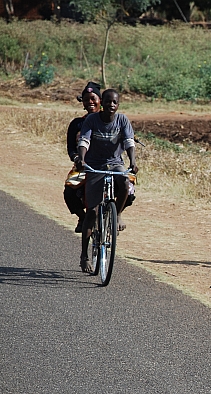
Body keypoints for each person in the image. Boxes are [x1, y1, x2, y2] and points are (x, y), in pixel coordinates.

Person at [76, 88, 138, 273]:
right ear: (102, 103)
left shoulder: (122, 120)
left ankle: (117, 214)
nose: (111, 105)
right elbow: (84, 141)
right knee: (92, 212)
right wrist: (82, 159)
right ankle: (84, 256)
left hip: (115, 164)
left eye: (115, 102)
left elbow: (129, 142)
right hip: (95, 165)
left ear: (118, 105)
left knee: (126, 184)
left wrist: (133, 162)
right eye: (108, 101)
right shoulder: (92, 120)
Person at [64, 82, 101, 233]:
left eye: (93, 98)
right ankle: (83, 218)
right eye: (86, 100)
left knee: (128, 189)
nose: (90, 102)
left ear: (100, 100)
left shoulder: (109, 121)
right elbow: (71, 148)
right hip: (84, 166)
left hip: (106, 165)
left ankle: (115, 215)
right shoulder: (77, 124)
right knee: (69, 191)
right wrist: (76, 158)